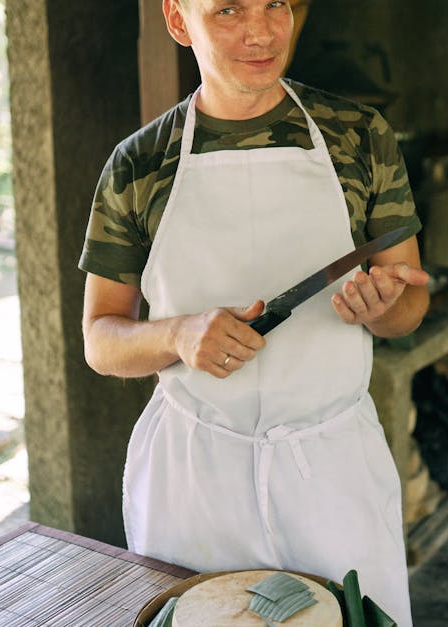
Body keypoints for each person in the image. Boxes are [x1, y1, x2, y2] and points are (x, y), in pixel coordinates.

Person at [77, 0, 428, 623]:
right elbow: (101, 340)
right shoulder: (138, 165)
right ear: (179, 21)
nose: (261, 31)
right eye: (229, 10)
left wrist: (384, 307)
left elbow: (410, 305)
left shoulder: (359, 136)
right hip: (194, 473)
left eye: (275, 4)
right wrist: (180, 335)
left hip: (332, 467)